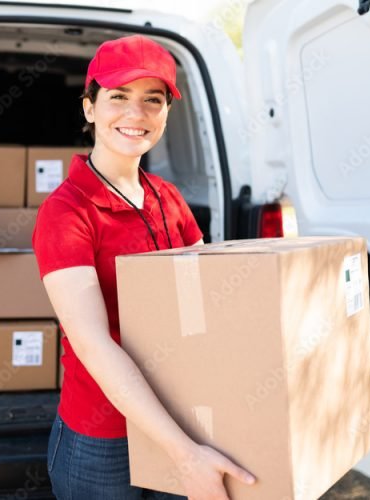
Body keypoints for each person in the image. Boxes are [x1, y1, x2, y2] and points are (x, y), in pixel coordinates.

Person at [31, 35, 256, 500]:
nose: (136, 115)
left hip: (184, 413)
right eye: (118, 97)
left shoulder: (169, 198)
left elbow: (212, 303)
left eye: (153, 101)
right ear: (90, 107)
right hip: (102, 435)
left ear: (167, 114)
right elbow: (93, 344)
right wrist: (185, 454)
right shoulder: (66, 212)